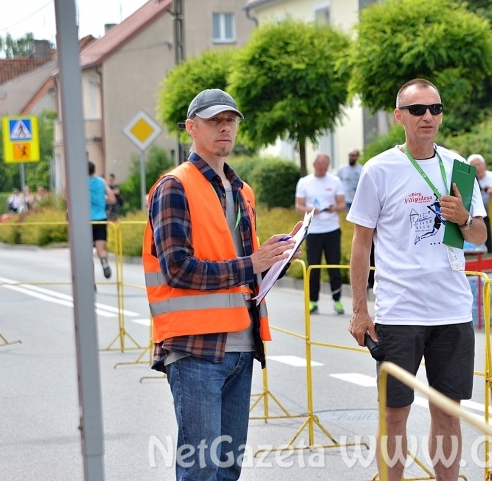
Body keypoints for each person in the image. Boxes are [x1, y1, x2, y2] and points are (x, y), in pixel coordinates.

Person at [144, 88, 299, 481]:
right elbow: (178, 269)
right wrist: (252, 262)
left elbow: (246, 271)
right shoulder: (174, 186)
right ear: (191, 129)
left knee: (227, 469)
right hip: (196, 349)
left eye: (230, 120)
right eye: (214, 121)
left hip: (242, 345)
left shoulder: (242, 191)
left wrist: (276, 259)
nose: (225, 127)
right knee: (200, 469)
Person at [347, 78, 487, 481]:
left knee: (447, 411)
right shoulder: (379, 169)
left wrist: (463, 218)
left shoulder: (457, 166)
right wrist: (360, 310)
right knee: (394, 413)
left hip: (452, 310)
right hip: (399, 313)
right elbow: (361, 244)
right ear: (399, 117)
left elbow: (478, 236)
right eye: (418, 110)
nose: (428, 117)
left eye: (435, 109)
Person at [295, 153, 346, 314]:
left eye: (325, 168)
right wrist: (311, 210)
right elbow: (298, 206)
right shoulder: (305, 182)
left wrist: (334, 207)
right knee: (313, 266)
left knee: (333, 265)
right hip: (314, 230)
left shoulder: (335, 181)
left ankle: (337, 300)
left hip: (331, 229)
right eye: (320, 167)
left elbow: (342, 203)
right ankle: (312, 301)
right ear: (314, 164)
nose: (323, 170)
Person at [89, 162, 116, 280]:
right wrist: (101, 201)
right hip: (101, 218)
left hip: (85, 221)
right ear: (94, 170)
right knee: (101, 249)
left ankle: (91, 282)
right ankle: (104, 262)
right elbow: (112, 199)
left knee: (87, 253)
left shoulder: (80, 182)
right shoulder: (101, 182)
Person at [467, 153, 492, 253]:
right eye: (473, 165)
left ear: (484, 164)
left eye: (479, 164)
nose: (477, 167)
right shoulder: (470, 180)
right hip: (478, 216)